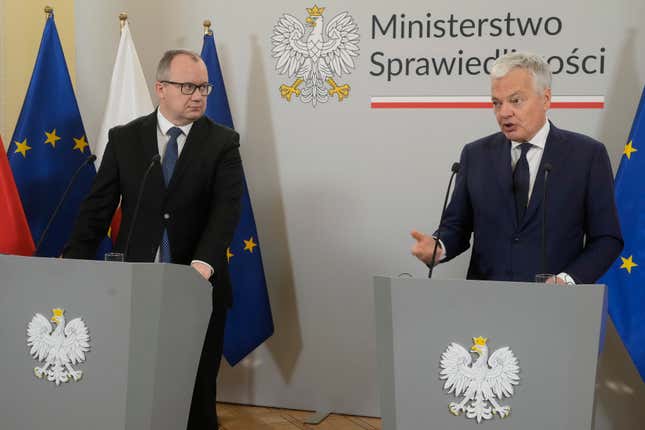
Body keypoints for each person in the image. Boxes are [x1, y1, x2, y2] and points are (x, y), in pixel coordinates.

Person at [63, 49, 243, 429]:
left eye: (203, 87)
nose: (198, 95)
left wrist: (204, 263)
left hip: (197, 284)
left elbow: (227, 210)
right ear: (160, 88)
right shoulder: (126, 139)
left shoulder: (223, 143)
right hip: (132, 288)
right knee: (132, 384)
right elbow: (97, 209)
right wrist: (71, 266)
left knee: (195, 391)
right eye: (188, 87)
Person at [411, 52, 623, 284]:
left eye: (516, 101)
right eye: (496, 103)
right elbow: (457, 226)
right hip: (485, 303)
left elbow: (606, 238)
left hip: (555, 305)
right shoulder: (476, 155)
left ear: (546, 99)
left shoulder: (587, 155)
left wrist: (567, 279)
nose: (504, 113)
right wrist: (438, 246)